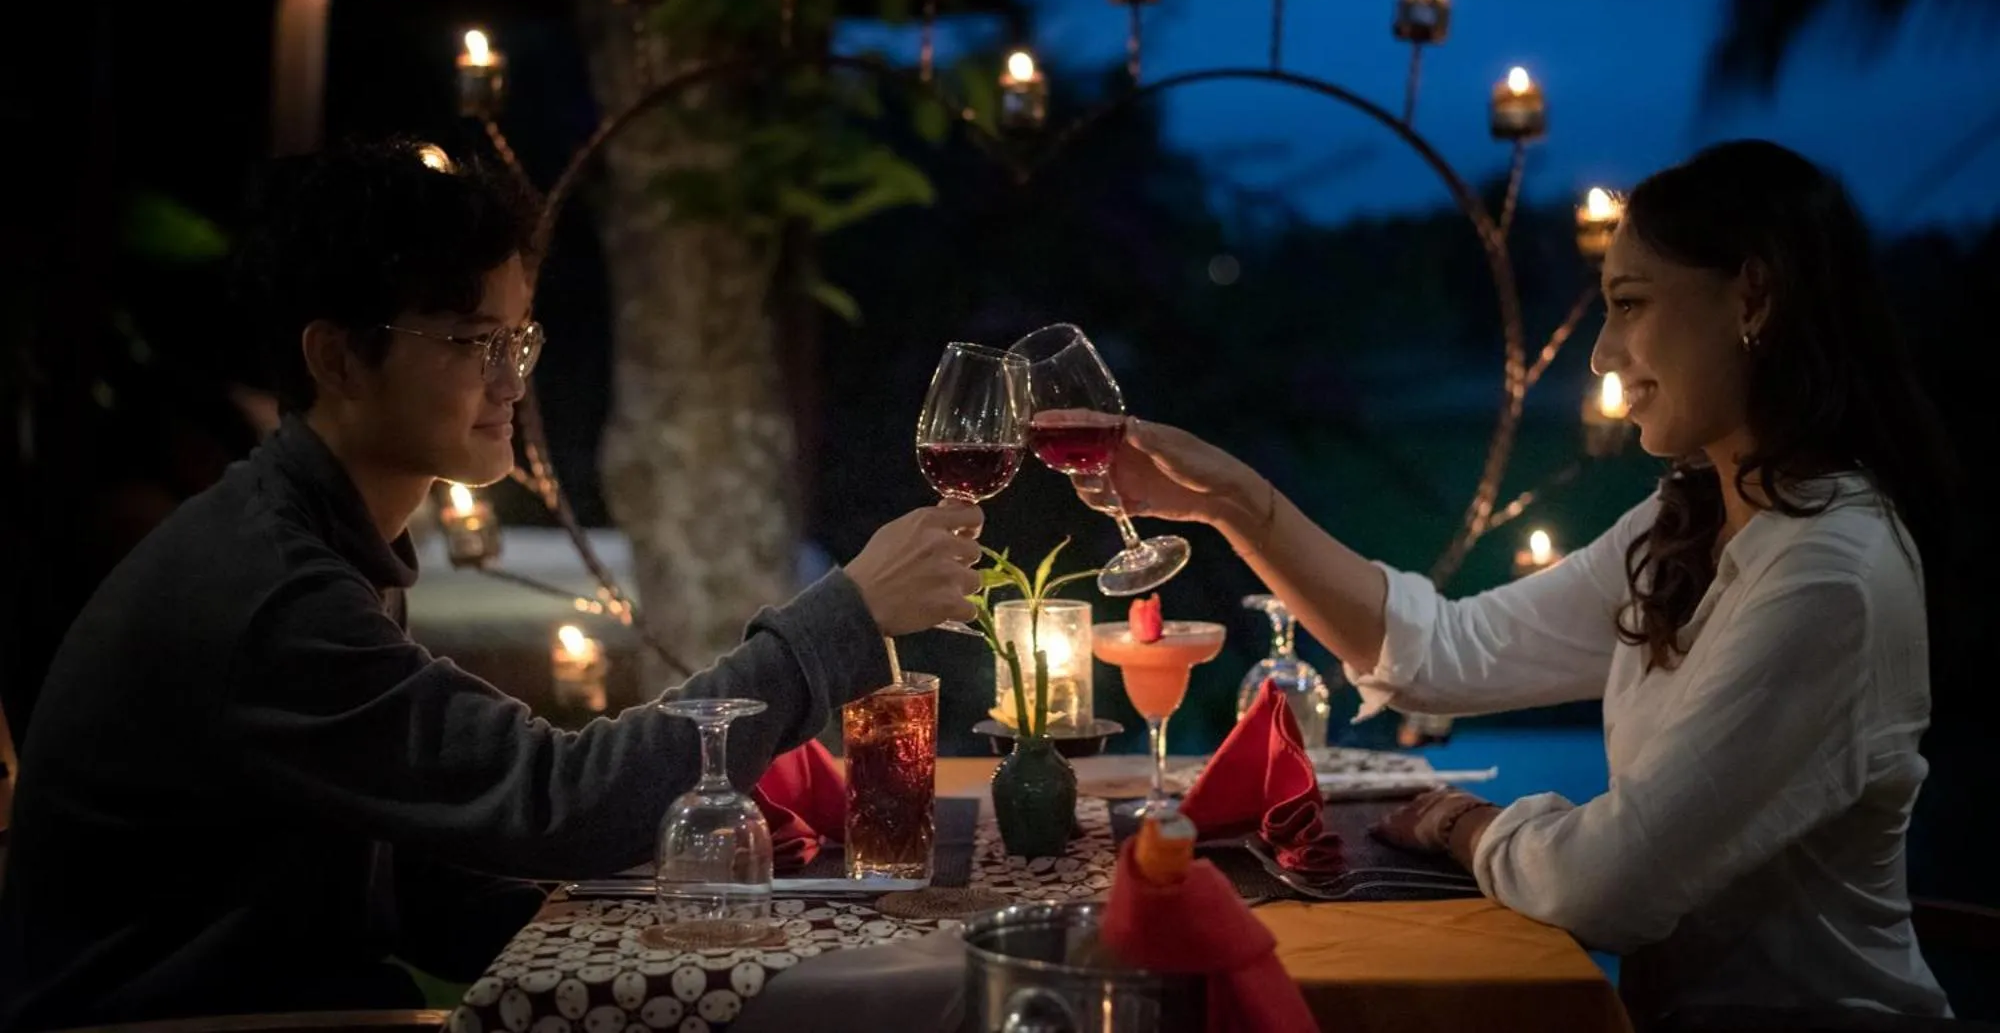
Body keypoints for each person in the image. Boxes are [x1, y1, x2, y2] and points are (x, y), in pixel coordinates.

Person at [0, 140, 981, 1032]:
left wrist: (644, 934)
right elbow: (555, 801)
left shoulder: (317, 540)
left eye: (520, 339)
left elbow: (423, 860)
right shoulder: (269, 592)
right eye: (475, 343)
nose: (513, 379)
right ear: (338, 356)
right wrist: (842, 615)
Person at [1073, 140, 1956, 1026]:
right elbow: (1443, 652)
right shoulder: (1688, 523)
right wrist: (1235, 502)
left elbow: (1612, 883)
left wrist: (1465, 826)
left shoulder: (1828, 577)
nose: (1605, 355)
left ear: (1753, 296)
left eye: (1629, 305)